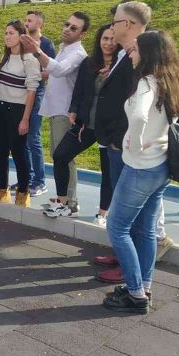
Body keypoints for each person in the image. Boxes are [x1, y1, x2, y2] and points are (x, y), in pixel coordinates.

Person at [103, 30, 179, 314]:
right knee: (146, 230)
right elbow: (172, 118)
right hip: (160, 165)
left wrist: (136, 140)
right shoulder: (170, 82)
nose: (131, 54)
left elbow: (140, 116)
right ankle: (144, 287)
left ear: (148, 54)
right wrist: (151, 139)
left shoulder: (145, 83)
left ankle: (136, 292)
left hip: (141, 167)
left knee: (117, 228)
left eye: (135, 50)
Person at [93, 1, 173, 284]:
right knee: (127, 212)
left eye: (114, 22)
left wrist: (124, 141)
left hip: (129, 150)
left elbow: (139, 108)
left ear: (127, 24)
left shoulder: (141, 56)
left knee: (131, 222)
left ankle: (133, 278)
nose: (111, 27)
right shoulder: (126, 55)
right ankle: (133, 272)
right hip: (127, 146)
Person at [50, 24, 120, 224]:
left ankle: (103, 214)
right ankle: (63, 202)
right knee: (60, 155)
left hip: (109, 128)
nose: (108, 43)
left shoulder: (122, 66)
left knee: (108, 172)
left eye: (113, 39)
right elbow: (79, 90)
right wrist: (73, 110)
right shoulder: (90, 63)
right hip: (86, 124)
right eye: (105, 38)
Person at [22, 12, 90, 216]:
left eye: (74, 28)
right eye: (66, 24)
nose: (67, 29)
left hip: (65, 112)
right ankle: (64, 199)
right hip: (56, 110)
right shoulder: (64, 49)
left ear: (82, 34)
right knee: (58, 156)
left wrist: (36, 51)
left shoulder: (78, 53)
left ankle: (71, 202)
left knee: (64, 157)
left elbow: (58, 70)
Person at [0, 20, 40, 206]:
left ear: (21, 36)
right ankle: (2, 189)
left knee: (18, 152)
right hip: (0, 108)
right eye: (6, 33)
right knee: (0, 151)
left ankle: (23, 193)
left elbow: (31, 92)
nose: (7, 36)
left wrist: (25, 120)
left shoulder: (30, 60)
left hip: (17, 110)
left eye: (11, 33)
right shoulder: (6, 57)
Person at [19, 10, 56, 196]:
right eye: (25, 20)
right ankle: (26, 178)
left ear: (39, 24)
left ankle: (40, 181)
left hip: (38, 91)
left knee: (33, 137)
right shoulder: (21, 41)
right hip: (20, 93)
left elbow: (51, 70)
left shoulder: (47, 44)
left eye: (30, 21)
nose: (26, 23)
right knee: (21, 137)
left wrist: (32, 74)